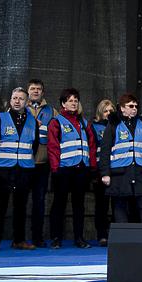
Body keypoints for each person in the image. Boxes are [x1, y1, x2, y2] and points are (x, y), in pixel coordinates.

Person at [0, 87, 38, 250]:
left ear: (26, 102)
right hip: (3, 170)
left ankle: (19, 240)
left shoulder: (32, 121)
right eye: (14, 98)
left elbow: (33, 145)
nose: (17, 101)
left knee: (21, 206)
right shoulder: (0, 119)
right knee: (0, 205)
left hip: (24, 169)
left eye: (21, 98)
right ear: (10, 100)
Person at [47, 88, 97, 248]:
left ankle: (79, 238)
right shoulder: (56, 122)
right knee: (59, 204)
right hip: (63, 170)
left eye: (76, 100)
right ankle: (56, 238)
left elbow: (91, 145)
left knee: (79, 205)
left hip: (81, 170)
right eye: (70, 100)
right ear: (63, 103)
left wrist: (92, 167)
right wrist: (56, 169)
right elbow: (53, 147)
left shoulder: (84, 122)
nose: (74, 103)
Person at [99, 94, 142, 225]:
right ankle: (122, 239)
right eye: (131, 106)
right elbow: (105, 150)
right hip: (120, 172)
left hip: (141, 171)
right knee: (120, 204)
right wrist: (105, 173)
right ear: (122, 108)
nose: (134, 108)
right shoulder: (113, 124)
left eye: (136, 106)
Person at [26, 79, 57, 247]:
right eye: (32, 89)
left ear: (43, 92)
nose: (36, 91)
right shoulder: (19, 108)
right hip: (23, 162)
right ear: (28, 91)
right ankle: (20, 238)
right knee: (21, 200)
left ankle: (38, 237)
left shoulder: (52, 111)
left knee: (39, 200)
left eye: (39, 89)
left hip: (43, 162)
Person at [91, 99, 115, 245]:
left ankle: (117, 234)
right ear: (100, 113)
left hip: (118, 170)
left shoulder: (119, 126)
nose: (108, 114)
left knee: (118, 205)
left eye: (111, 111)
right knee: (101, 205)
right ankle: (102, 235)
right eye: (105, 111)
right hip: (100, 170)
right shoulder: (94, 127)